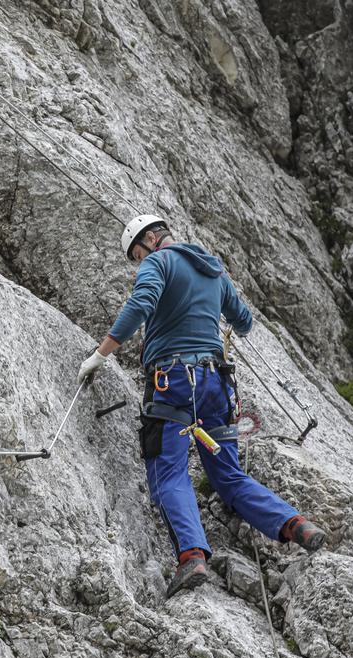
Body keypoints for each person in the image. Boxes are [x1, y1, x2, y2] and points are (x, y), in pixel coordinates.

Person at [79, 215, 326, 599]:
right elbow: (243, 322)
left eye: (137, 254)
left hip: (174, 384)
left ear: (149, 240)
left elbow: (141, 304)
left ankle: (192, 558)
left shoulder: (158, 263)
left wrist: (101, 352)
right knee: (228, 476)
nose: (138, 261)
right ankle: (296, 525)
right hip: (217, 385)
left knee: (170, 473)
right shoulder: (212, 268)